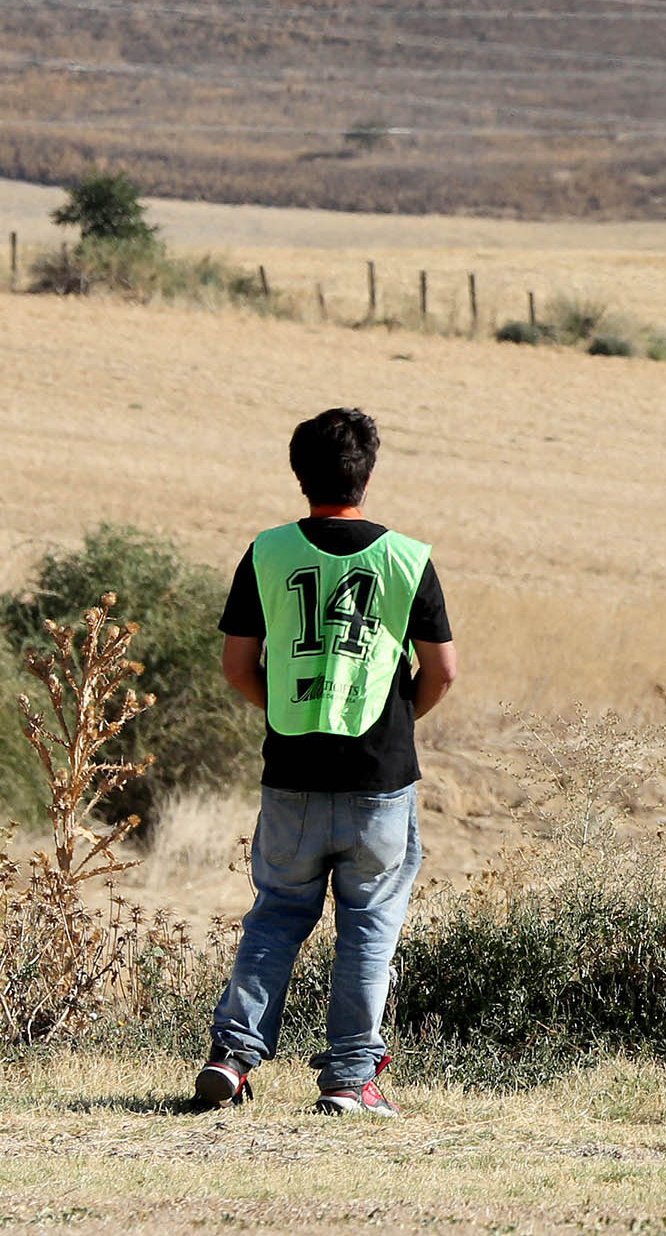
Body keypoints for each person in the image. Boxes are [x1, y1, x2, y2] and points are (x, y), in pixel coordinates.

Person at [192, 407, 457, 1117]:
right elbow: (443, 673)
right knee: (369, 926)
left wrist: (288, 712)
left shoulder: (268, 552)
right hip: (380, 781)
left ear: (299, 473)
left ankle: (232, 1056)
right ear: (368, 474)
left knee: (276, 915)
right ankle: (348, 1079)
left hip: (291, 774)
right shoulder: (407, 558)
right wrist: (400, 721)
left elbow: (238, 666)